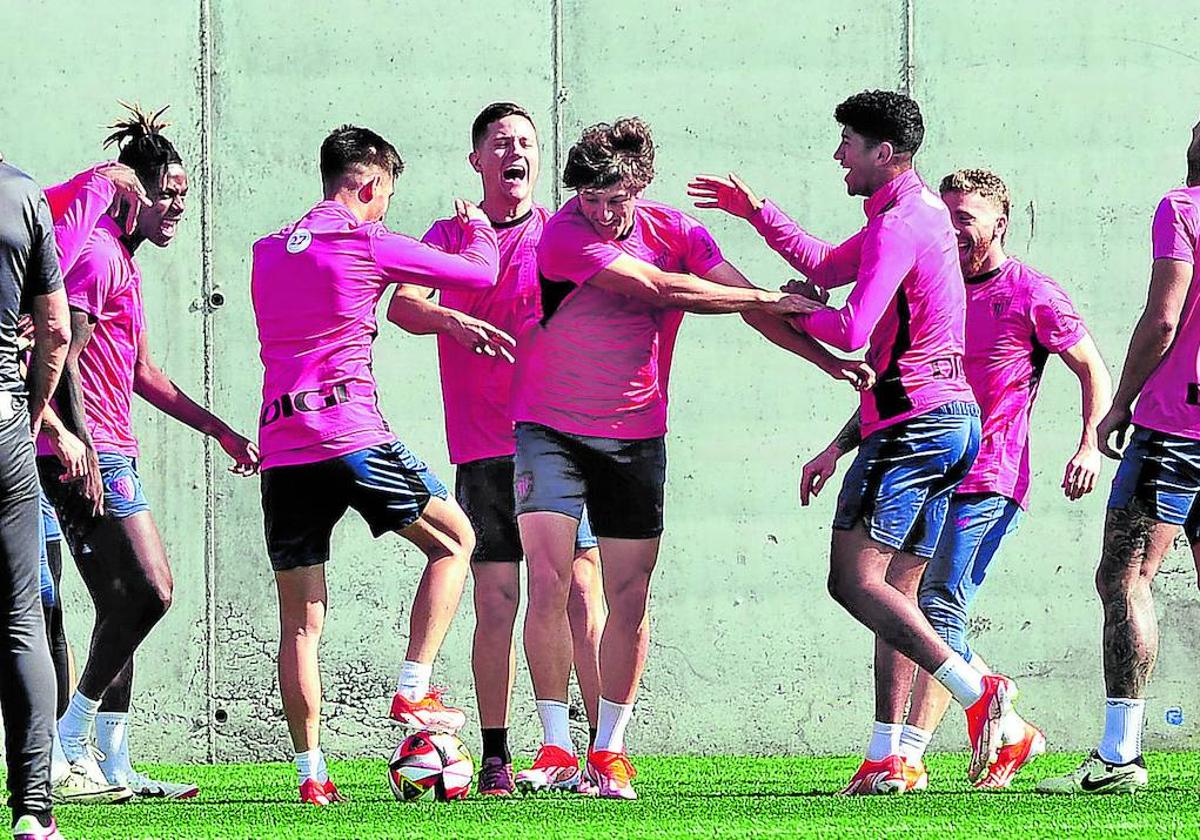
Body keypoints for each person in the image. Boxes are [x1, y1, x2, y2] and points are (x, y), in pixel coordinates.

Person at [690, 90, 1032, 790]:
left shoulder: (900, 223)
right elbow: (822, 262)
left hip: (915, 427)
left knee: (853, 581)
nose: (837, 154)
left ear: (886, 153)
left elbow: (848, 331)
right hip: (945, 425)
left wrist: (780, 306)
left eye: (847, 142)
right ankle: (892, 755)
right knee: (896, 596)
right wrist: (757, 211)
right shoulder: (911, 215)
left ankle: (980, 693)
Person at [513, 116, 857, 799]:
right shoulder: (564, 236)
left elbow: (749, 304)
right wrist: (763, 294)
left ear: (639, 186)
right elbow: (663, 291)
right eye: (591, 200)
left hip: (636, 433)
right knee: (550, 580)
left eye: (616, 201)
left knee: (629, 595)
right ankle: (555, 746)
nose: (603, 214)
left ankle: (608, 752)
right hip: (549, 427)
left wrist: (831, 361)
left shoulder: (677, 231)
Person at [799, 168, 1111, 791]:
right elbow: (904, 391)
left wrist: (1088, 445)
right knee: (894, 601)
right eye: (948, 218)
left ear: (1000, 222)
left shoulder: (1031, 293)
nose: (954, 229)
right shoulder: (932, 283)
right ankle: (894, 750)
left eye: (966, 218)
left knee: (936, 603)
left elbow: (1092, 369)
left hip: (990, 474)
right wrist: (836, 447)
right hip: (925, 459)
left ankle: (928, 741)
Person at [251, 124, 501, 806]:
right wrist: (475, 225)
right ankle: (413, 692)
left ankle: (312, 777)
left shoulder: (267, 251)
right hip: (350, 432)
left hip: (282, 445)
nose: (385, 207)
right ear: (367, 184)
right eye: (385, 195)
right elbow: (482, 272)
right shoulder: (364, 240)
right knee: (456, 541)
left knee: (301, 623)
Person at [38, 105, 259, 801]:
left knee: (118, 606)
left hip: (112, 448)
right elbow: (62, 353)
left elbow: (143, 374)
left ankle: (115, 763)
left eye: (185, 196)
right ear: (133, 192)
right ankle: (69, 741)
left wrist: (219, 429)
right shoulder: (100, 253)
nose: (177, 207)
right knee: (152, 592)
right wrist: (76, 443)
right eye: (167, 193)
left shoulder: (123, 263)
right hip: (86, 452)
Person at [387, 102, 606, 796]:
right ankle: (495, 757)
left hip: (562, 440)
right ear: (477, 160)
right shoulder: (451, 234)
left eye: (527, 143)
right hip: (484, 446)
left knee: (580, 588)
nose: (516, 153)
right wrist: (452, 318)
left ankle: (599, 753)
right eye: (501, 143)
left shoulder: (561, 233)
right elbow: (401, 305)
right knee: (497, 597)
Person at [1038, 114, 1200, 795]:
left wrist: (1120, 402)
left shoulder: (1183, 206)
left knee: (1124, 577)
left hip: (1177, 427)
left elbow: (1164, 317)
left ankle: (1118, 755)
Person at [0, 150, 72, 840]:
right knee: (20, 615)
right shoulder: (22, 192)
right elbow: (54, 328)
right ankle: (32, 809)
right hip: (1, 423)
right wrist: (33, 409)